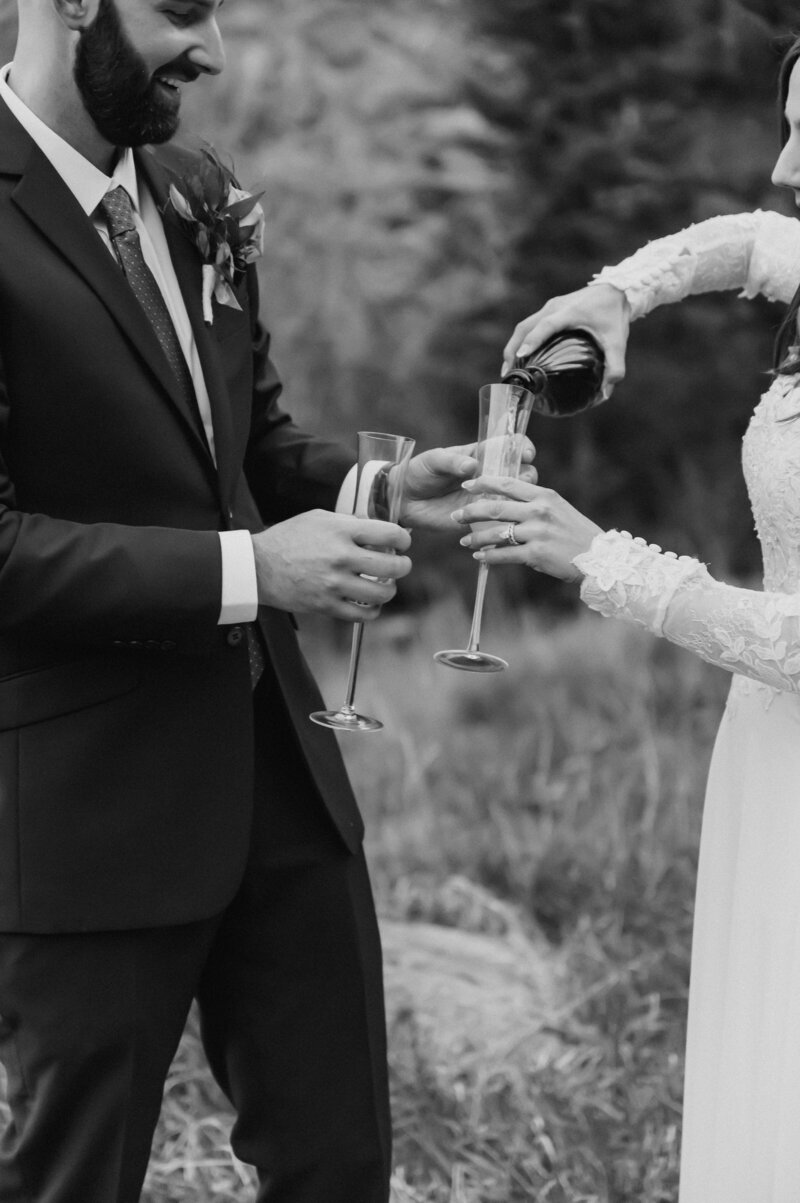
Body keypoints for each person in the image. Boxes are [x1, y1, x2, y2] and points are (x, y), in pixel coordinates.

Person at [0, 2, 524, 1200]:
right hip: (88, 811)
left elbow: (241, 447)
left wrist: (388, 480)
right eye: (181, 9)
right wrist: (253, 574)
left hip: (279, 777)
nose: (215, 51)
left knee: (338, 1167)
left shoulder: (194, 194)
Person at [452, 31, 800, 1203]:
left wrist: (594, 558)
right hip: (770, 760)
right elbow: (746, 243)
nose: (786, 165)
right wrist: (611, 296)